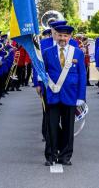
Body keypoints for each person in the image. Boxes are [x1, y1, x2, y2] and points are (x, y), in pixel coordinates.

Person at [41, 25, 86, 166]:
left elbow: (82, 75)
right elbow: (43, 73)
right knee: (51, 127)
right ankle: (50, 156)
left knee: (68, 128)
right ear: (55, 36)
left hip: (71, 95)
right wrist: (42, 89)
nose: (62, 39)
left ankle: (65, 156)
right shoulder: (48, 52)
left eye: (65, 36)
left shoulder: (77, 53)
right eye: (60, 35)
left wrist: (81, 97)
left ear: (70, 37)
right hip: (53, 95)